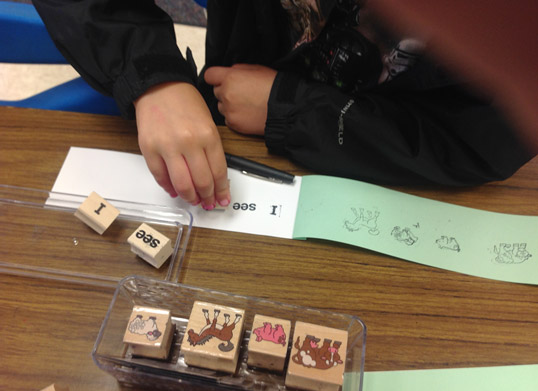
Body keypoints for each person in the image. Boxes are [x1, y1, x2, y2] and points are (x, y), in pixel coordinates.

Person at [33, 0, 534, 210]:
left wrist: (289, 106)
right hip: (235, 102)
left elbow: (479, 143)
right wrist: (151, 77)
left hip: (398, 168)